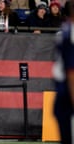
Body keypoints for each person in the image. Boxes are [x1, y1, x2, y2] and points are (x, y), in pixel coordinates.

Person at [53, 1, 74, 144]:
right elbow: (71, 72)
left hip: (63, 95)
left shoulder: (64, 30)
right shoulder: (70, 34)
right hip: (68, 96)